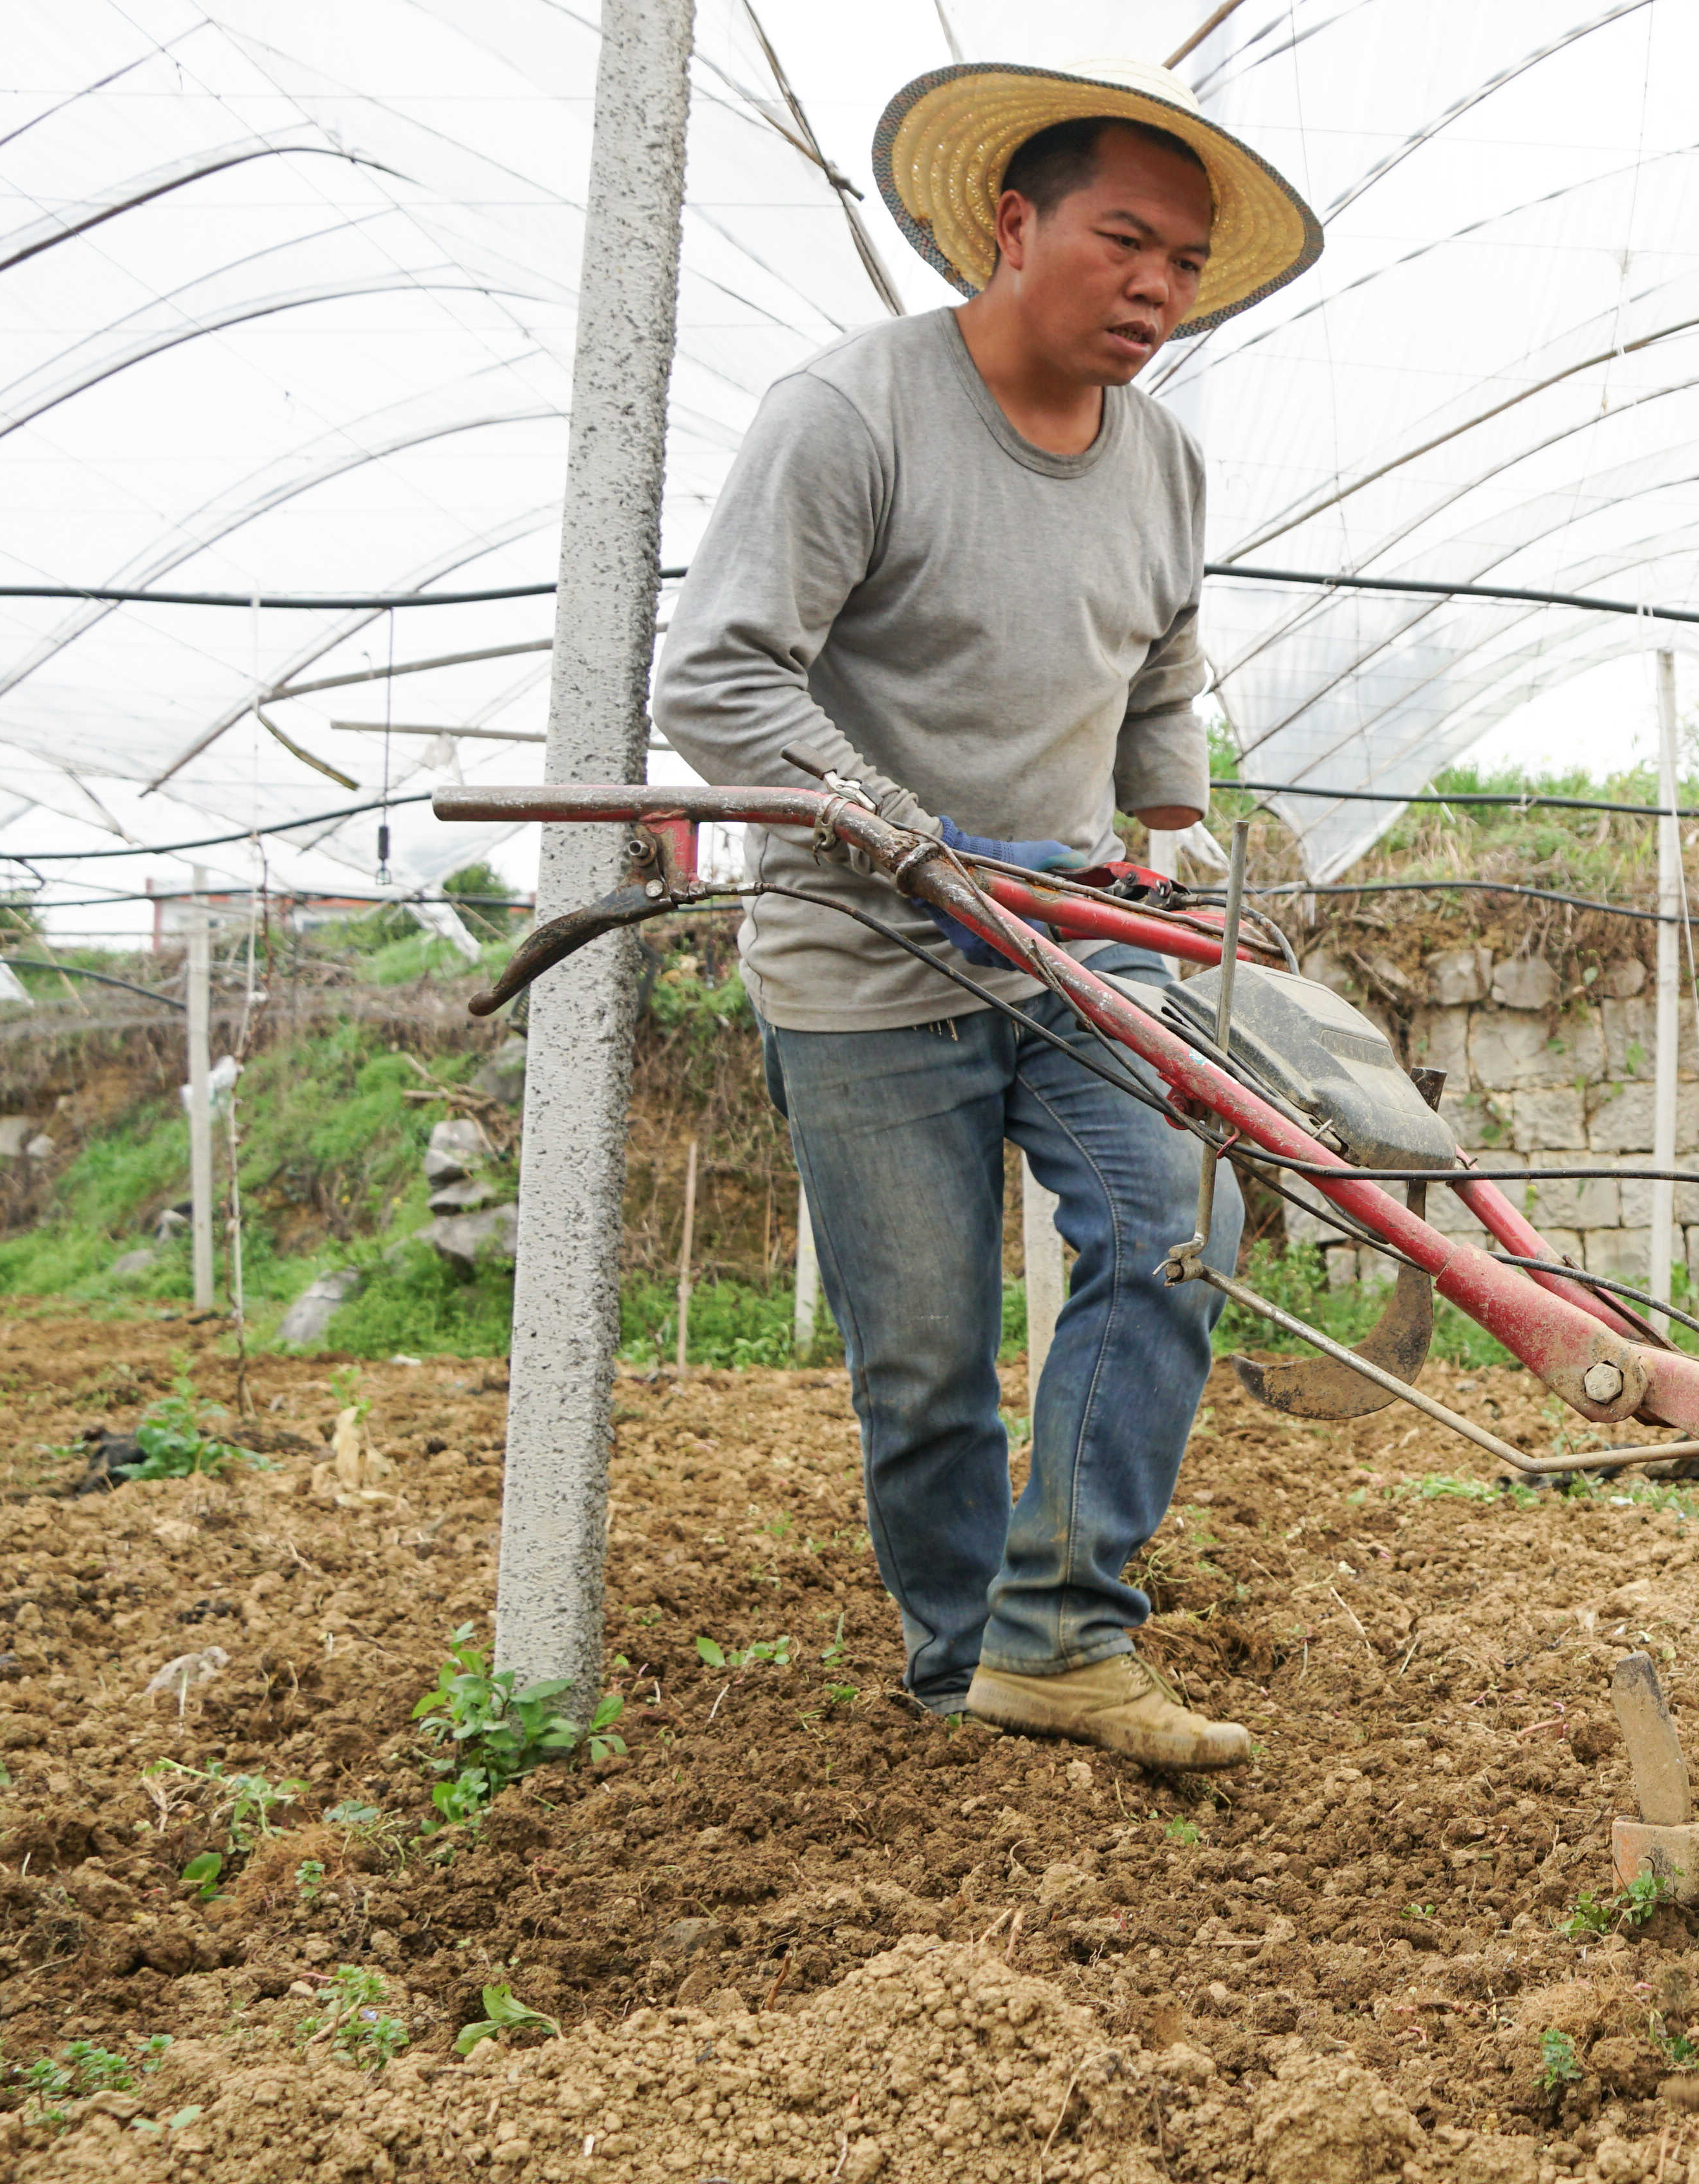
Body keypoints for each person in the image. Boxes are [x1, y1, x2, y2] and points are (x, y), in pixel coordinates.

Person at [653, 56, 1324, 1770]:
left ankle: (1064, 1628)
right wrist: (899, 837)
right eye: (1125, 243)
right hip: (863, 959)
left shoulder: (1161, 460)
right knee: (928, 1359)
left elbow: (1158, 657)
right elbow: (720, 677)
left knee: (1175, 1223)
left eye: (1182, 263)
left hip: (1071, 939)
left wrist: (1161, 834)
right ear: (1010, 227)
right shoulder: (852, 415)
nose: (1159, 290)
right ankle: (969, 1671)